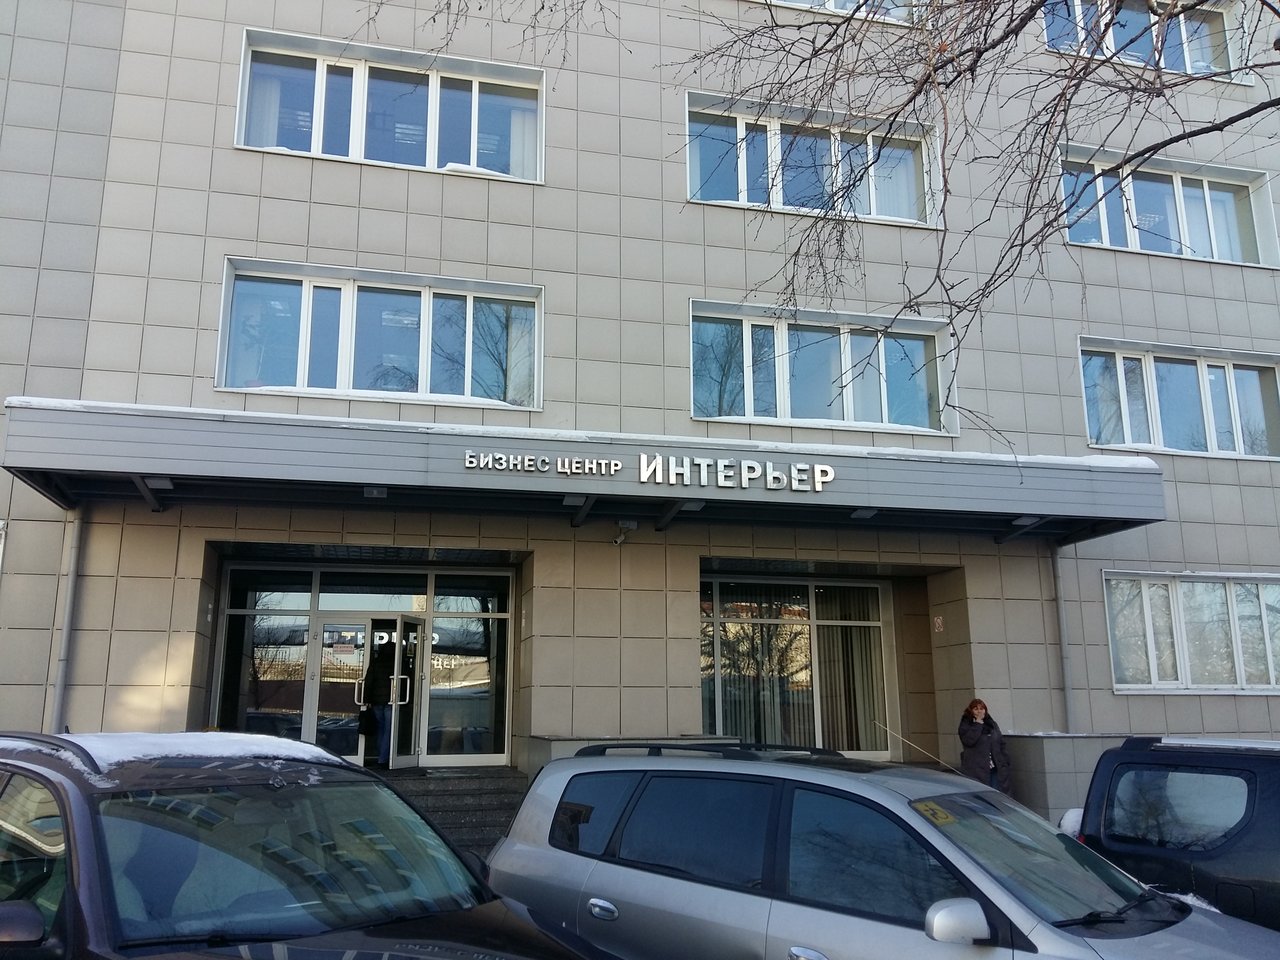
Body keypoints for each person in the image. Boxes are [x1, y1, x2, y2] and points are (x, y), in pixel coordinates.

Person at [958, 698, 1011, 793]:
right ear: (971, 711)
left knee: (996, 793)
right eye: (976, 709)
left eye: (982, 709)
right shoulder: (966, 724)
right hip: (976, 769)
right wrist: (978, 723)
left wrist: (1005, 761)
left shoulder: (991, 724)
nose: (979, 711)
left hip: (995, 767)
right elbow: (968, 741)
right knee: (983, 794)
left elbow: (1001, 743)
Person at [363, 638, 396, 767]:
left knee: (381, 729)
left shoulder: (376, 663)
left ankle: (381, 756)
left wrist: (367, 700)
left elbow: (368, 682)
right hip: (392, 701)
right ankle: (383, 758)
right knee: (389, 730)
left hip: (376, 701)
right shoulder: (398, 663)